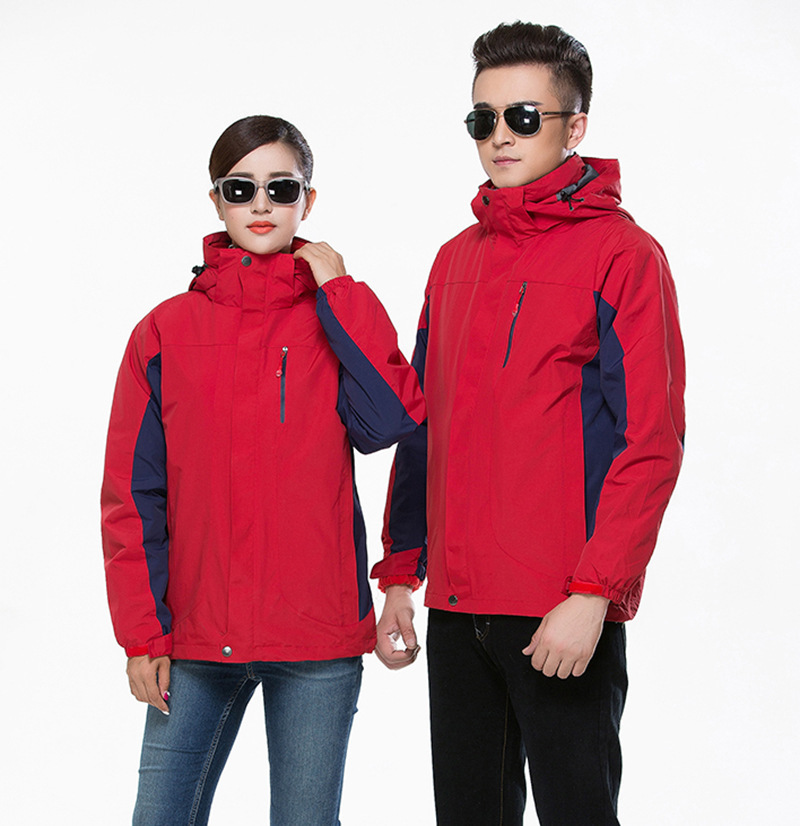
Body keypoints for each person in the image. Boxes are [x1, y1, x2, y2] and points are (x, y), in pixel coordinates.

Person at [372, 22, 685, 825]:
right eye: (482, 119)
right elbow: (423, 424)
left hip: (559, 607)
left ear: (574, 127)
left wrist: (594, 594)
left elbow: (650, 444)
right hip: (458, 611)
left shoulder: (624, 257)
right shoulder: (454, 260)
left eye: (521, 117)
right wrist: (402, 570)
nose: (499, 138)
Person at [101, 115, 425, 826]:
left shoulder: (332, 317)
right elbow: (132, 496)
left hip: (316, 639)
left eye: (281, 188)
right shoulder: (164, 332)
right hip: (193, 638)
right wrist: (142, 636)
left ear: (308, 201)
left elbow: (392, 420)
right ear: (215, 199)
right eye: (240, 188)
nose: (260, 205)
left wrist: (341, 291)